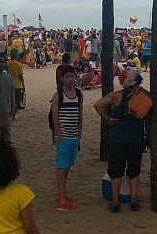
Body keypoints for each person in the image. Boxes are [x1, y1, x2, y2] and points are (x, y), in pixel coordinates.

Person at [94, 67, 151, 213]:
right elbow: (147, 120)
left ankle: (115, 202)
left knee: (116, 171)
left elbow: (98, 105)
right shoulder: (145, 96)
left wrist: (107, 118)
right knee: (134, 170)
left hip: (117, 137)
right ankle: (134, 200)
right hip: (135, 137)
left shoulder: (116, 95)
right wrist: (147, 136)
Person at [51, 65, 83, 211]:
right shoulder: (58, 95)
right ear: (62, 78)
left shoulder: (79, 94)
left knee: (68, 165)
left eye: (73, 76)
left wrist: (79, 134)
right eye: (68, 77)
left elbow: (79, 115)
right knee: (62, 167)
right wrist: (60, 136)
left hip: (74, 136)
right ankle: (62, 198)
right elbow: (55, 118)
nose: (70, 79)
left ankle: (62, 194)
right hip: (63, 137)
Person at [6, 49, 25, 121]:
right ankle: (13, 116)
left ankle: (9, 115)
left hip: (9, 84)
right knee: (17, 102)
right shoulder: (19, 64)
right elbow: (20, 76)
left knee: (10, 101)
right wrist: (23, 85)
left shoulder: (7, 63)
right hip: (17, 85)